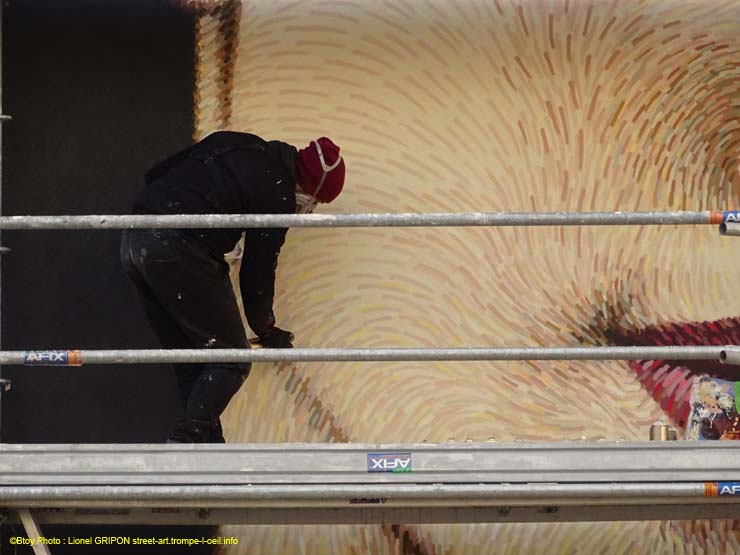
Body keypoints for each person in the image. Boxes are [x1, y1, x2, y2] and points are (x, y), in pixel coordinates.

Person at [120, 131, 346, 442]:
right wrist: (266, 329)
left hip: (135, 238)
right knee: (232, 358)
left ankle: (207, 448)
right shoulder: (278, 192)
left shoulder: (236, 142)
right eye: (316, 200)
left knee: (194, 361)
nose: (311, 207)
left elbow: (155, 174)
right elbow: (258, 269)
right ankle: (187, 443)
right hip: (180, 246)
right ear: (308, 187)